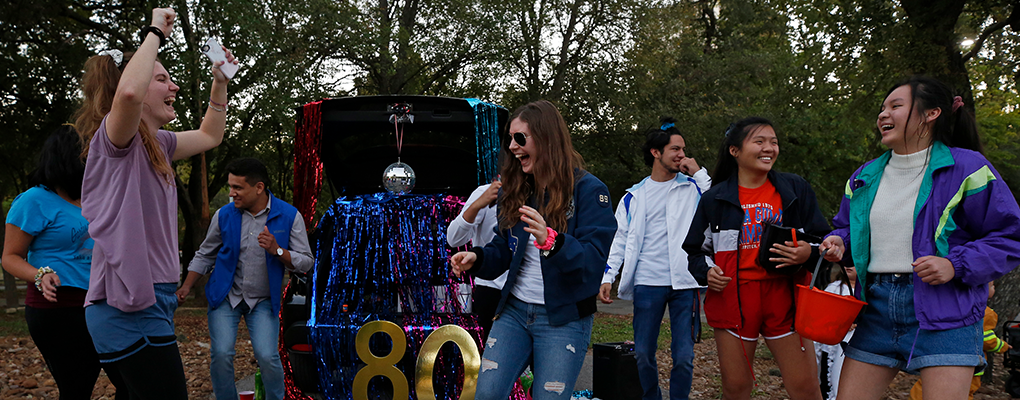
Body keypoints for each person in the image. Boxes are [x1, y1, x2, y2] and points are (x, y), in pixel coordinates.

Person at [72, 7, 238, 399]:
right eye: (162, 79)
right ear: (141, 86)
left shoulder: (159, 144)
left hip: (155, 300)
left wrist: (219, 83)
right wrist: (155, 32)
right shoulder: (115, 143)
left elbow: (210, 135)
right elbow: (128, 92)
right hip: (126, 309)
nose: (174, 87)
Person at [820, 76, 1020, 400]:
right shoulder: (863, 176)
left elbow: (1011, 235)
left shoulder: (969, 167)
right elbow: (847, 228)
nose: (883, 115)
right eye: (882, 108)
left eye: (896, 106)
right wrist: (840, 243)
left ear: (931, 113)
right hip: (876, 309)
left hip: (947, 312)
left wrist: (954, 264)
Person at [449, 100, 617, 400]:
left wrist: (552, 241)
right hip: (513, 312)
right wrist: (477, 258)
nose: (513, 146)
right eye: (510, 139)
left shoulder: (590, 191)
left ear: (546, 137)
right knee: (486, 395)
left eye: (520, 138)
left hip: (564, 319)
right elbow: (503, 248)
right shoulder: (517, 188)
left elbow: (592, 261)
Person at [683, 117, 829, 400]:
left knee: (806, 388)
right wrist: (707, 271)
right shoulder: (715, 198)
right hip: (733, 299)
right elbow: (695, 251)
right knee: (736, 389)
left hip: (785, 299)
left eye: (773, 142)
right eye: (759, 141)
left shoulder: (794, 189)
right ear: (735, 151)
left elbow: (823, 240)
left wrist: (807, 252)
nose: (769, 148)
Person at [2, 126, 126, 400]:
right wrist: (39, 274)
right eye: (90, 153)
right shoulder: (34, 200)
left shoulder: (96, 198)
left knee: (130, 384)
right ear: (70, 157)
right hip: (57, 309)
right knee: (76, 388)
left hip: (104, 304)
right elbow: (10, 257)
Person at [175, 158, 314, 400]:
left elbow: (306, 262)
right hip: (226, 296)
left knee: (268, 356)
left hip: (262, 301)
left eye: (237, 188)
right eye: (230, 187)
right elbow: (205, 254)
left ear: (258, 187)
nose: (231, 193)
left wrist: (278, 251)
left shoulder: (289, 216)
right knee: (221, 353)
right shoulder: (224, 215)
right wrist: (185, 287)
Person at [598, 117, 711, 400]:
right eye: (675, 149)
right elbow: (620, 238)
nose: (681, 155)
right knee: (644, 353)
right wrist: (608, 276)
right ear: (656, 153)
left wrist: (698, 173)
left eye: (683, 149)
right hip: (648, 281)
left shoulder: (693, 187)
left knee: (683, 356)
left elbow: (718, 204)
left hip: (685, 281)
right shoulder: (634, 196)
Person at [908, 281, 1011, 400]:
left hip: (940, 354)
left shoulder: (952, 305)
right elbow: (986, 339)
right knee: (964, 390)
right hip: (969, 362)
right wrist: (1003, 346)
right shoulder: (987, 313)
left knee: (930, 383)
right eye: (992, 286)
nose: (994, 289)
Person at [447, 179, 508, 340]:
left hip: (531, 289)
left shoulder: (541, 192)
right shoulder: (486, 192)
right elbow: (453, 239)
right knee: (497, 357)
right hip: (492, 287)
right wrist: (477, 205)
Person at [815, 265, 856, 400]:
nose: (849, 265)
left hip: (855, 349)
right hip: (831, 347)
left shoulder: (869, 291)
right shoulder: (834, 288)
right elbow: (822, 315)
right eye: (847, 261)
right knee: (827, 383)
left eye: (854, 262)